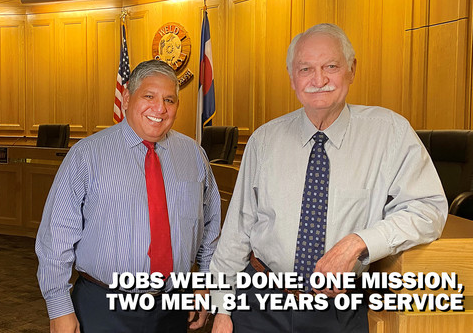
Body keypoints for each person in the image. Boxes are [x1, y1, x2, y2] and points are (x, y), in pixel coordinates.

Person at [209, 23, 448, 332]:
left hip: (340, 311)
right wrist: (223, 308)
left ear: (351, 69)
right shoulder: (263, 140)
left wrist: (358, 242)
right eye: (305, 69)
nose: (318, 80)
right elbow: (238, 229)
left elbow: (428, 210)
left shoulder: (391, 133)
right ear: (292, 77)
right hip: (262, 303)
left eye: (330, 66)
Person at [36, 59, 221, 333]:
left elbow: (210, 229)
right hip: (103, 305)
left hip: (173, 306)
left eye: (169, 100)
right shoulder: (87, 155)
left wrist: (206, 285)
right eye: (149, 96)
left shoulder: (193, 155)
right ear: (125, 98)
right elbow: (56, 237)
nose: (160, 108)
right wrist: (59, 307)